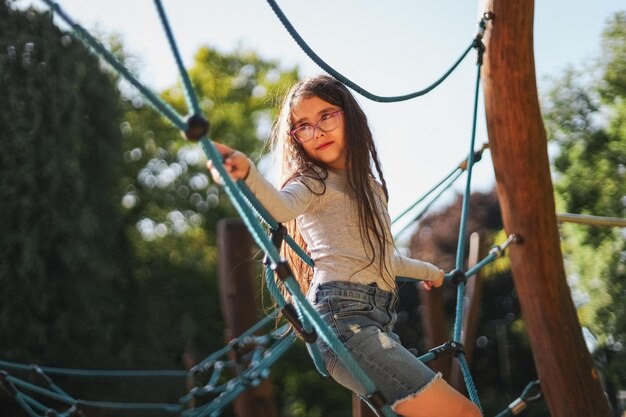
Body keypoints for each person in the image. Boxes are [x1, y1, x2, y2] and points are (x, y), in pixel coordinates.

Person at [207, 75, 481, 417]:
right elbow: (278, 207)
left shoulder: (372, 188)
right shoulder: (312, 184)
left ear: (349, 116)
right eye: (303, 126)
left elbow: (382, 260)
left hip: (376, 322)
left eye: (326, 116)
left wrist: (430, 272)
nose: (317, 131)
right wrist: (246, 173)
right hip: (343, 322)